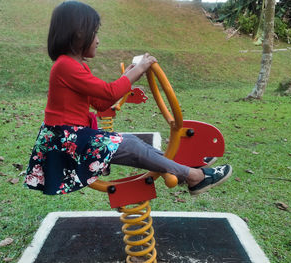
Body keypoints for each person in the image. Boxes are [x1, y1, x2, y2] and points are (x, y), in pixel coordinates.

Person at [24, 1, 232, 196]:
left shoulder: (75, 65)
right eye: (94, 33)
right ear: (79, 33)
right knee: (131, 146)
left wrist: (127, 80)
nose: (98, 40)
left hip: (74, 138)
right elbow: (108, 92)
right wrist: (136, 71)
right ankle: (194, 177)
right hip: (66, 142)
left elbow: (100, 103)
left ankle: (182, 168)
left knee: (131, 141)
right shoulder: (65, 66)